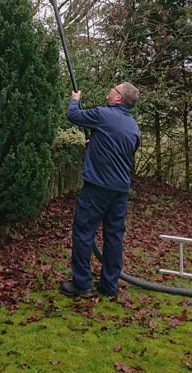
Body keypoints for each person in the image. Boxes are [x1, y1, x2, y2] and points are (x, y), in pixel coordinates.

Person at [60, 82, 140, 299]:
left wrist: (75, 99)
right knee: (114, 237)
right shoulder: (133, 126)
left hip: (97, 188)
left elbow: (74, 116)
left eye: (114, 88)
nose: (111, 89)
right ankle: (109, 286)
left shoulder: (103, 114)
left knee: (84, 232)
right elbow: (122, 151)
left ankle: (82, 284)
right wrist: (96, 144)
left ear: (118, 98)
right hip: (120, 191)